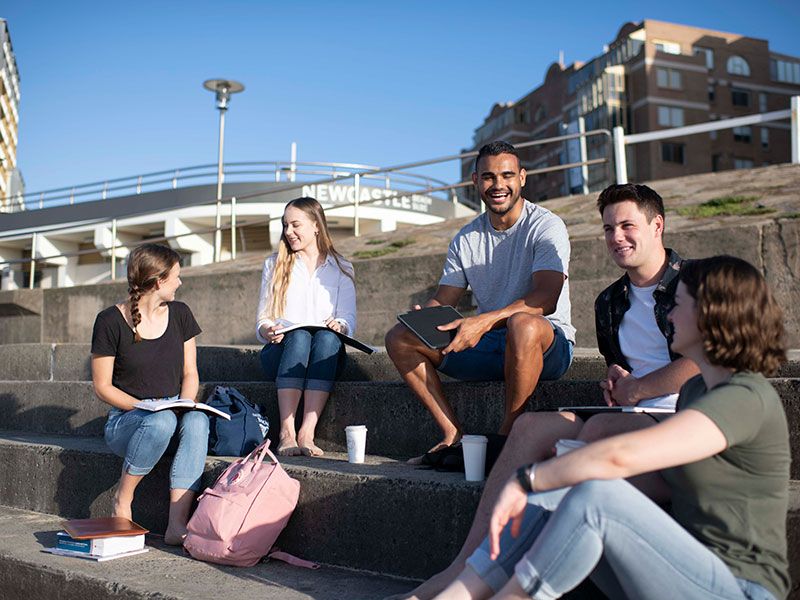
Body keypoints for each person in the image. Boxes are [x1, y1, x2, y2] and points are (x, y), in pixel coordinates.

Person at [403, 183, 700, 599]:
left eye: (627, 225)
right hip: (634, 412)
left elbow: (710, 359)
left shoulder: (696, 283)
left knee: (591, 437)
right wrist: (618, 379)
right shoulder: (610, 300)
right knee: (529, 427)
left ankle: (491, 586)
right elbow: (624, 369)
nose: (617, 237)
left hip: (683, 418)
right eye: (608, 228)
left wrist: (639, 388)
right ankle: (463, 566)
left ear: (657, 225)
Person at [436, 255, 790, 600]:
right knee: (576, 488)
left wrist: (530, 478)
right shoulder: (697, 390)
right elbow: (663, 479)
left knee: (594, 496)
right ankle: (458, 594)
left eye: (678, 303)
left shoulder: (746, 397)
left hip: (739, 587)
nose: (668, 312)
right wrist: (556, 487)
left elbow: (622, 457)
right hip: (672, 568)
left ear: (710, 316)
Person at [385, 141, 574, 461]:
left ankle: (508, 438)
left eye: (507, 175)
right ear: (475, 181)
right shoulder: (466, 237)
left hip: (546, 342)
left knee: (523, 324)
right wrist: (421, 318)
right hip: (490, 342)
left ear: (522, 178)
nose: (498, 184)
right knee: (398, 337)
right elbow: (445, 298)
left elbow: (546, 297)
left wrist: (482, 321)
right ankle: (451, 433)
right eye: (488, 177)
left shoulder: (546, 226)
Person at [91, 243, 209, 546]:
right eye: (176, 277)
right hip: (127, 420)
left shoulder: (181, 314)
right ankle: (123, 498)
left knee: (197, 422)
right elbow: (102, 387)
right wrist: (146, 407)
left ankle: (176, 523)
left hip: (171, 411)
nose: (180, 283)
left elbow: (190, 373)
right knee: (161, 422)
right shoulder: (109, 321)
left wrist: (186, 402)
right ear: (159, 281)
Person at [256, 196, 356, 457]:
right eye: (285, 225)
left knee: (326, 338)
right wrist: (267, 330)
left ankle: (306, 433)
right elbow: (263, 319)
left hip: (325, 353)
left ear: (316, 226)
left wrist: (340, 325)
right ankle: (286, 432)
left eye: (295, 225)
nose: (288, 232)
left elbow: (348, 319)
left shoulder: (342, 267)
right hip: (281, 353)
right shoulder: (274, 264)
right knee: (300, 337)